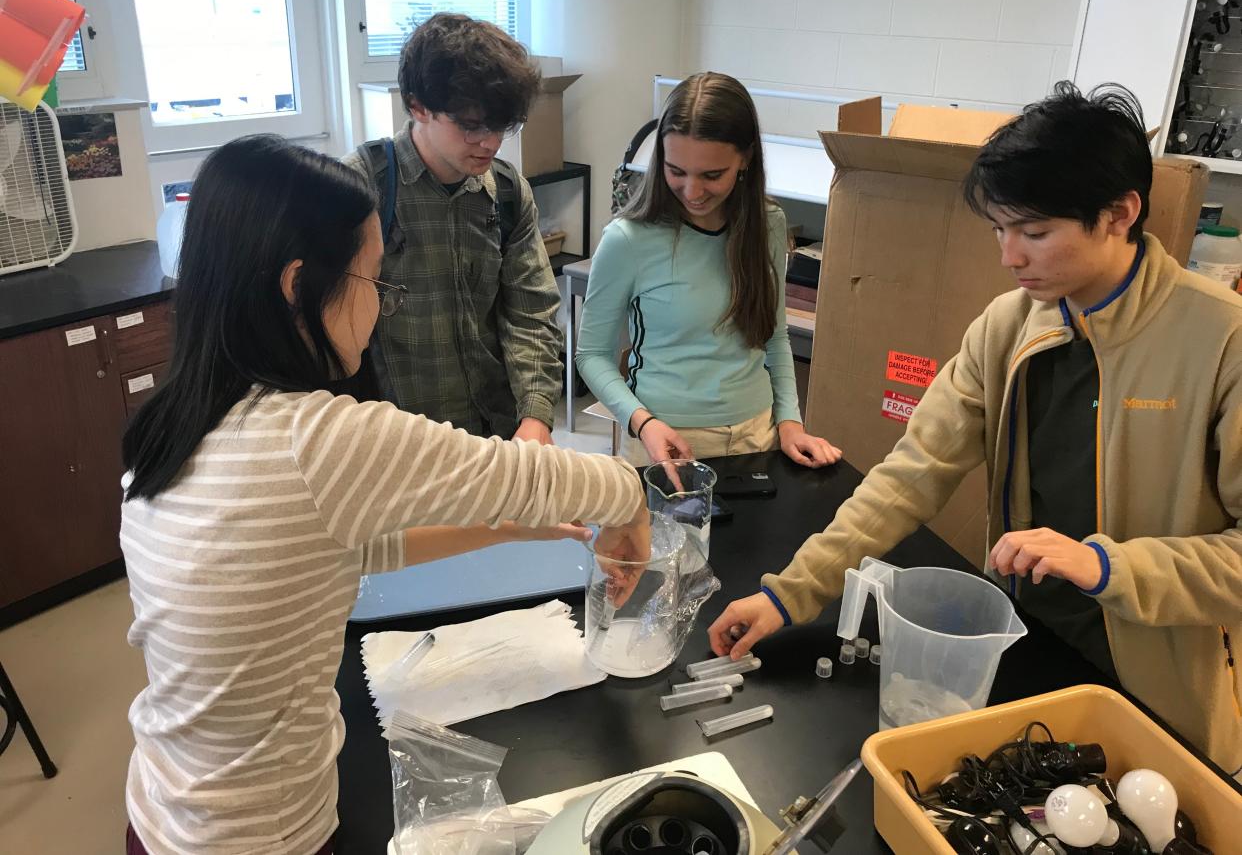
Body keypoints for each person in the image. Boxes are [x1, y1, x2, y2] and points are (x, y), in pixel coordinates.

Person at [119, 135, 649, 855]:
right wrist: (630, 498)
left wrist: (510, 530)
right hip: (260, 834)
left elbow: (341, 549)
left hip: (160, 811)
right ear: (297, 283)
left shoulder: (174, 423)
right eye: (374, 282)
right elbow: (540, 473)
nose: (380, 313)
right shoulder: (317, 439)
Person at [708, 81, 1242, 777]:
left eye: (1035, 232)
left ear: (1120, 214)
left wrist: (1110, 565)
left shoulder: (1220, 339)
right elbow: (910, 476)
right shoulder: (1009, 325)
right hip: (1028, 657)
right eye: (999, 229)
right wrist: (791, 592)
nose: (1008, 256)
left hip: (1159, 697)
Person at [575, 72, 841, 468]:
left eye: (712, 175)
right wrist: (642, 422)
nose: (693, 192)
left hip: (756, 434)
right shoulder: (628, 239)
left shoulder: (768, 224)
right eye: (676, 171)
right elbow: (592, 354)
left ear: (745, 160)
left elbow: (774, 336)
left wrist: (790, 422)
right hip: (665, 441)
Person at [342, 12, 562, 444]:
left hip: (495, 438)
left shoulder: (506, 191)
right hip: (399, 446)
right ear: (417, 105)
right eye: (471, 125)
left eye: (502, 125)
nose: (492, 142)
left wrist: (535, 416)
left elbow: (531, 312)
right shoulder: (361, 187)